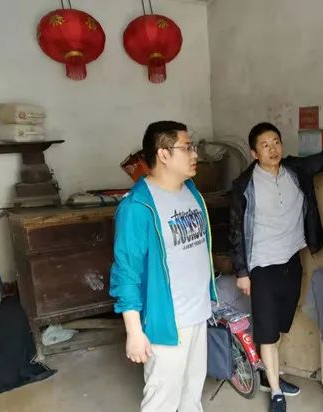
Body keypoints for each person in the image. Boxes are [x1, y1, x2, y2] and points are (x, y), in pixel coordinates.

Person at [229, 122, 323, 412]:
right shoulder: (244, 186)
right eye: (265, 145)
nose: (273, 149)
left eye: (276, 142)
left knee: (280, 326)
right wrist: (242, 272)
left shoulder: (296, 170)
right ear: (254, 153)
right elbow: (235, 231)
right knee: (267, 333)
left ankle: (270, 375)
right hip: (261, 267)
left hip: (291, 263)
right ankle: (276, 392)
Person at [110, 121, 217, 412]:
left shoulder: (191, 191)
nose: (195, 154)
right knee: (162, 400)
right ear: (164, 154)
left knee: (192, 393)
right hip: (167, 319)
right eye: (187, 147)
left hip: (198, 313)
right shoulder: (137, 206)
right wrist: (134, 332)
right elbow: (126, 273)